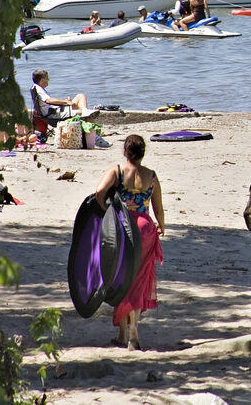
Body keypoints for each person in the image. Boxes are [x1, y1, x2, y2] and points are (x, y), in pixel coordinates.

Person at [95, 135, 164, 351]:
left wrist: (105, 210)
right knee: (139, 279)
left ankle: (124, 333)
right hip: (145, 227)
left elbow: (99, 191)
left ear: (125, 152)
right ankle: (131, 329)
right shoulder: (151, 176)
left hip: (123, 227)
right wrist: (161, 225)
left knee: (121, 277)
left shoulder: (117, 172)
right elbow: (158, 207)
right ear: (143, 153)